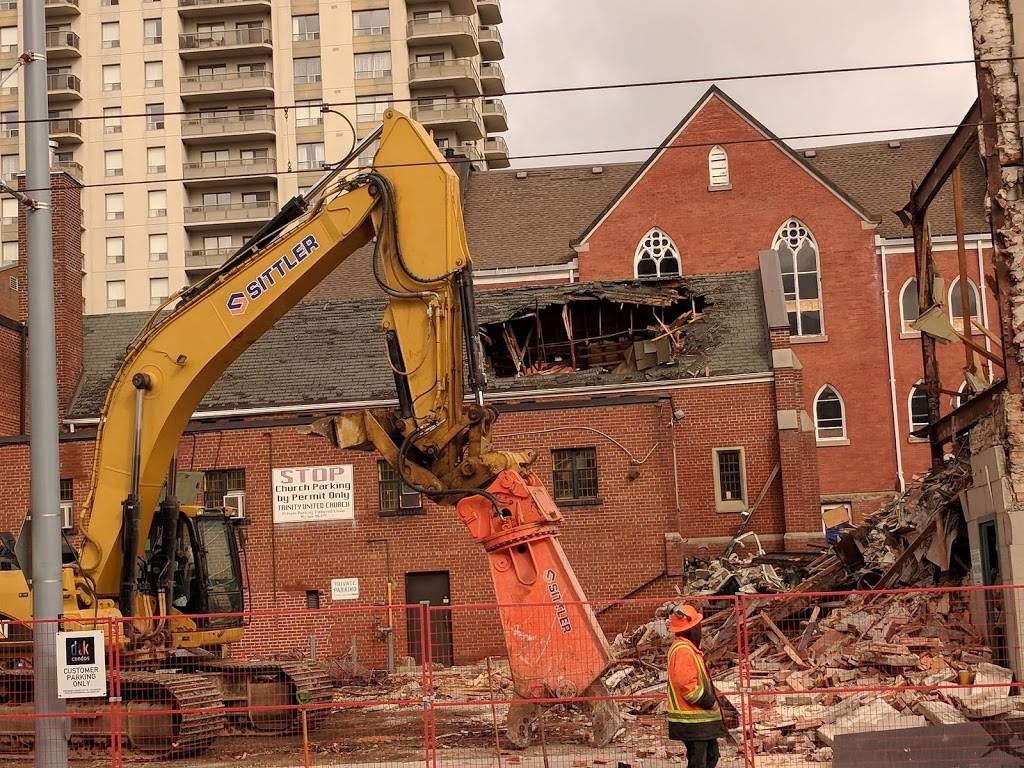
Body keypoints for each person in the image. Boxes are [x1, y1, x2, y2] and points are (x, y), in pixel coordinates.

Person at [665, 603, 725, 768]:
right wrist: (709, 701)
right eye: (698, 626)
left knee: (711, 756)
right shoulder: (683, 650)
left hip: (698, 719)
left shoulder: (688, 649)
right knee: (699, 762)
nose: (700, 630)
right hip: (692, 719)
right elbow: (688, 687)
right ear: (691, 628)